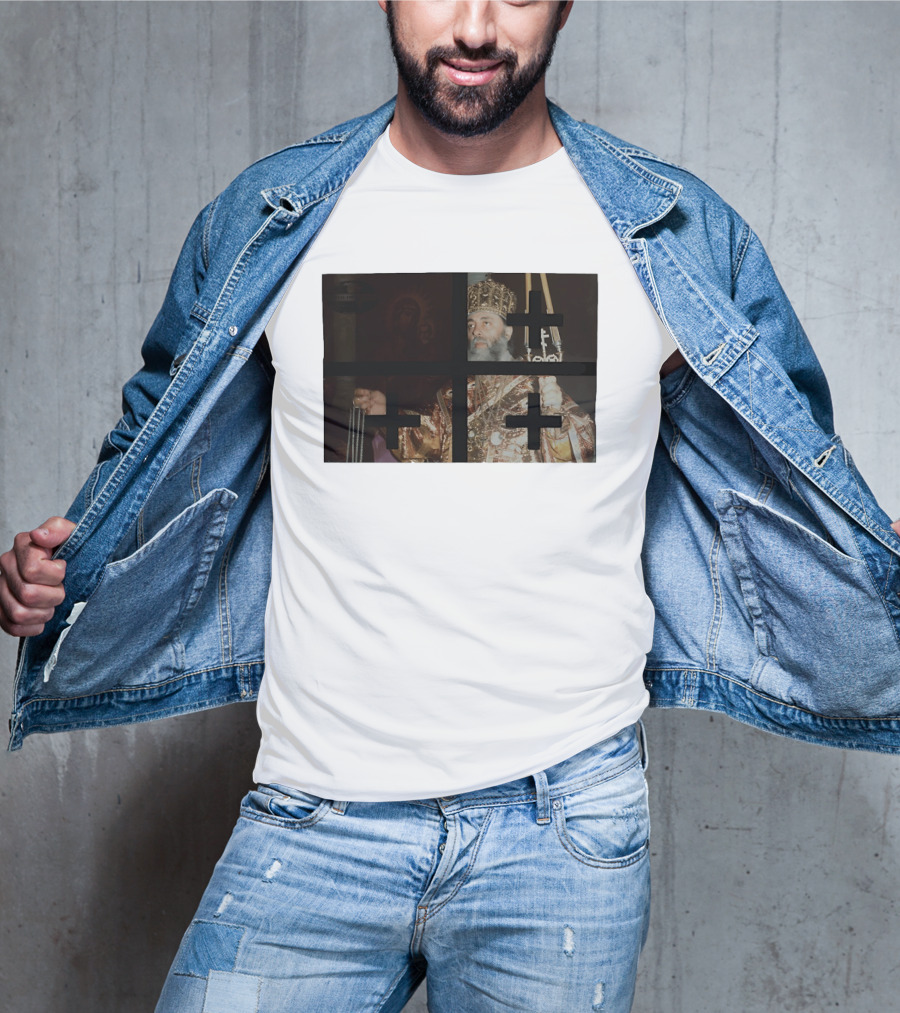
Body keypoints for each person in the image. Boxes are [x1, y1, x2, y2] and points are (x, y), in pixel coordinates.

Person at [2, 2, 899, 1011]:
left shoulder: (673, 232)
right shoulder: (272, 220)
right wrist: (64, 570)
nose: (472, 26)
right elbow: (154, 435)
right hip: (315, 811)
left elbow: (792, 465)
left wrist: (870, 560)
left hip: (564, 830)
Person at [353, 276, 597, 462]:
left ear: (508, 331)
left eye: (486, 322)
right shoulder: (454, 391)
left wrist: (554, 412)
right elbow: (427, 437)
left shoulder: (535, 382)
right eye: (470, 324)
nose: (475, 331)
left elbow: (582, 445)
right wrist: (386, 411)